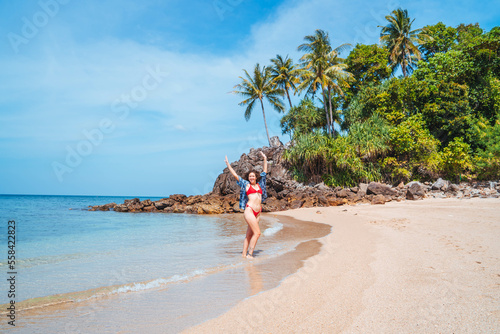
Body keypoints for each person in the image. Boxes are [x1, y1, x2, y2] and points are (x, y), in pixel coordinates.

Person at [225, 151, 267, 259]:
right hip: (249, 210)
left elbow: (265, 171)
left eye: (253, 176)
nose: (251, 178)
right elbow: (235, 175)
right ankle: (249, 254)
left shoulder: (260, 184)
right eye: (250, 176)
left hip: (258, 212)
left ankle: (244, 255)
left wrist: (265, 158)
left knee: (249, 235)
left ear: (256, 177)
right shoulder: (246, 184)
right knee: (257, 233)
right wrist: (228, 164)